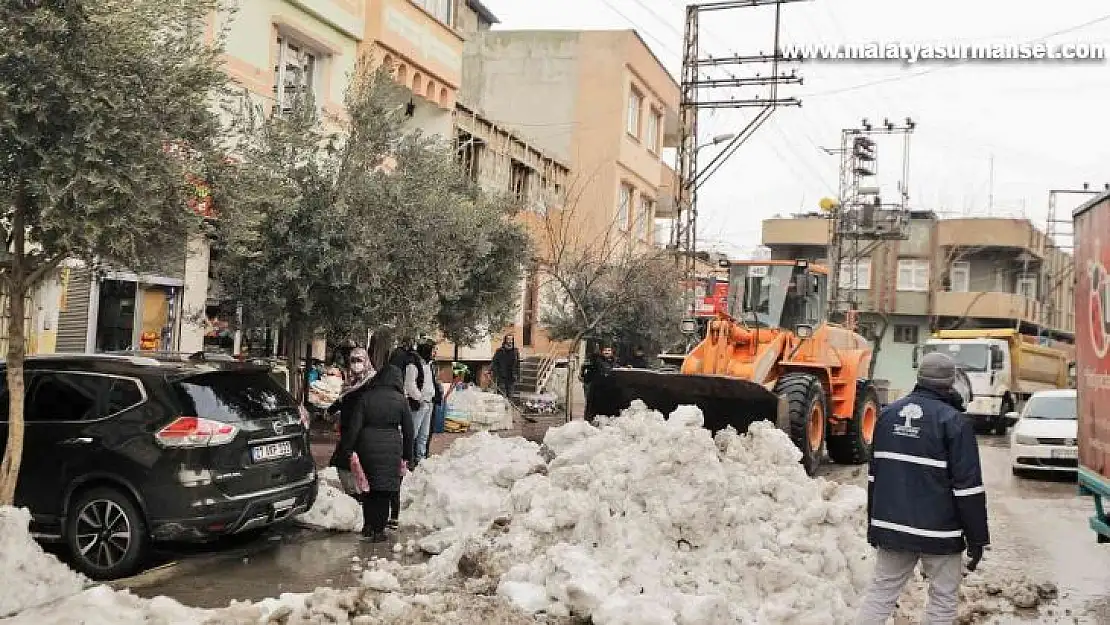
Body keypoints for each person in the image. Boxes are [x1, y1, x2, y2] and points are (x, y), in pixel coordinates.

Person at [857, 352, 990, 625]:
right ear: (950, 383)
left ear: (919, 378)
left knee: (880, 595)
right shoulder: (956, 422)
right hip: (940, 534)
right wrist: (977, 539)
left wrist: (875, 526)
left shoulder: (888, 415)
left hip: (892, 528)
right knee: (942, 598)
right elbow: (968, 489)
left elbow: (875, 477)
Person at [336, 341, 414, 543]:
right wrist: (408, 455)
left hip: (367, 446)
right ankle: (379, 530)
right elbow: (408, 429)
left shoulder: (367, 396)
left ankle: (368, 526)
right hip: (391, 447)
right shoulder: (400, 400)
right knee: (386, 490)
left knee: (369, 488)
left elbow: (355, 426)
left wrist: (348, 448)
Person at [414, 341, 438, 464]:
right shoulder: (417, 366)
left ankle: (421, 458)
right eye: (433, 350)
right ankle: (408, 459)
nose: (435, 353)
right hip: (420, 403)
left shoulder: (431, 365)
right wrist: (420, 398)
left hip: (430, 402)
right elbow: (410, 385)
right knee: (414, 432)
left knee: (424, 434)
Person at [580, 343, 616, 422]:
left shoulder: (614, 362)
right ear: (602, 352)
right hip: (596, 389)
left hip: (608, 390)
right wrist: (583, 376)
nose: (607, 352)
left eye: (609, 350)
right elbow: (585, 367)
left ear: (612, 352)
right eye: (605, 350)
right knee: (592, 406)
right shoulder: (597, 360)